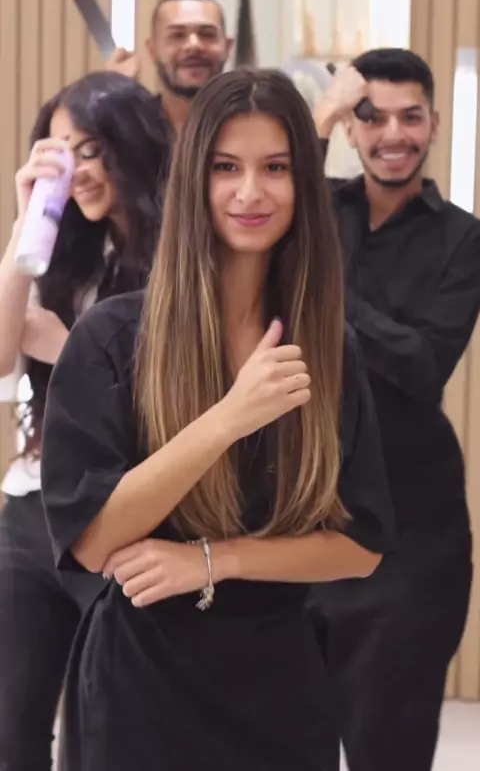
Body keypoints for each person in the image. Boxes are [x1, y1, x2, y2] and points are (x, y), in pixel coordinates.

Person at [41, 68, 396, 771]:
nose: (250, 192)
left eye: (275, 168)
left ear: (303, 183)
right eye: (226, 167)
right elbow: (93, 540)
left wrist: (210, 561)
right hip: (141, 683)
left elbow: (362, 543)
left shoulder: (326, 348)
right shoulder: (111, 337)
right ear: (194, 181)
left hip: (280, 684)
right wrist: (229, 418)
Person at [310, 48, 480, 771]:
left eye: (410, 117)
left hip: (412, 536)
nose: (393, 134)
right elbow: (246, 213)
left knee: (390, 750)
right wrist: (317, 118)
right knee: (282, 741)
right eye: (372, 117)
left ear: (434, 124)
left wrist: (320, 288)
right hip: (300, 523)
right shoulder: (318, 210)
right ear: (351, 129)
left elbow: (422, 363)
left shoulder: (463, 239)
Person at [0, 70, 170, 771]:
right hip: (32, 510)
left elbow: (171, 405)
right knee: (11, 729)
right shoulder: (66, 253)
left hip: (121, 518)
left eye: (92, 150)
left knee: (105, 736)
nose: (77, 170)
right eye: (61, 152)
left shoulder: (181, 261)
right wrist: (25, 226)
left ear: (134, 147)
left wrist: (68, 348)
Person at [108, 0, 234, 132]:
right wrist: (112, 93)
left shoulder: (250, 126)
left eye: (207, 34)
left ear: (227, 47)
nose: (194, 45)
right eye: (177, 35)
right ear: (152, 50)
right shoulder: (129, 130)